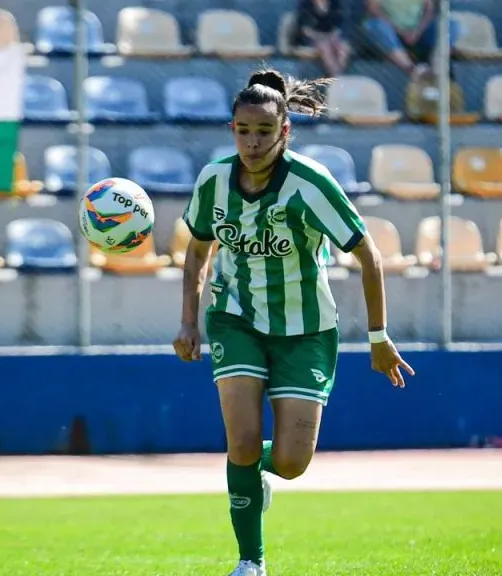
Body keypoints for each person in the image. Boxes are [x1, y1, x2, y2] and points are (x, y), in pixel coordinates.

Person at [172, 66, 415, 576]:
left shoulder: (310, 183)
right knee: (239, 441)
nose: (253, 142)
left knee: (290, 463)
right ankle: (251, 562)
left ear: (284, 130)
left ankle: (253, 473)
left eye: (264, 131)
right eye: (244, 131)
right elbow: (197, 252)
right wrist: (190, 322)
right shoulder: (214, 180)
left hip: (305, 333)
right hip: (235, 320)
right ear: (232, 130)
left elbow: (367, 254)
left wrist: (378, 336)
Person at [361, 0, 459, 79]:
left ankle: (437, 67)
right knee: (374, 26)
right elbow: (373, 8)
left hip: (419, 32)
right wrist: (400, 31)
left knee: (452, 25)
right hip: (391, 33)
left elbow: (429, 8)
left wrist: (418, 30)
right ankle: (412, 69)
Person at [294, 0, 351, 77]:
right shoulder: (305, 4)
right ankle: (337, 76)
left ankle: (340, 72)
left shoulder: (334, 3)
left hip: (330, 37)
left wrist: (332, 36)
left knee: (344, 47)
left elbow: (338, 25)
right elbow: (306, 30)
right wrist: (322, 37)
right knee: (325, 47)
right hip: (311, 39)